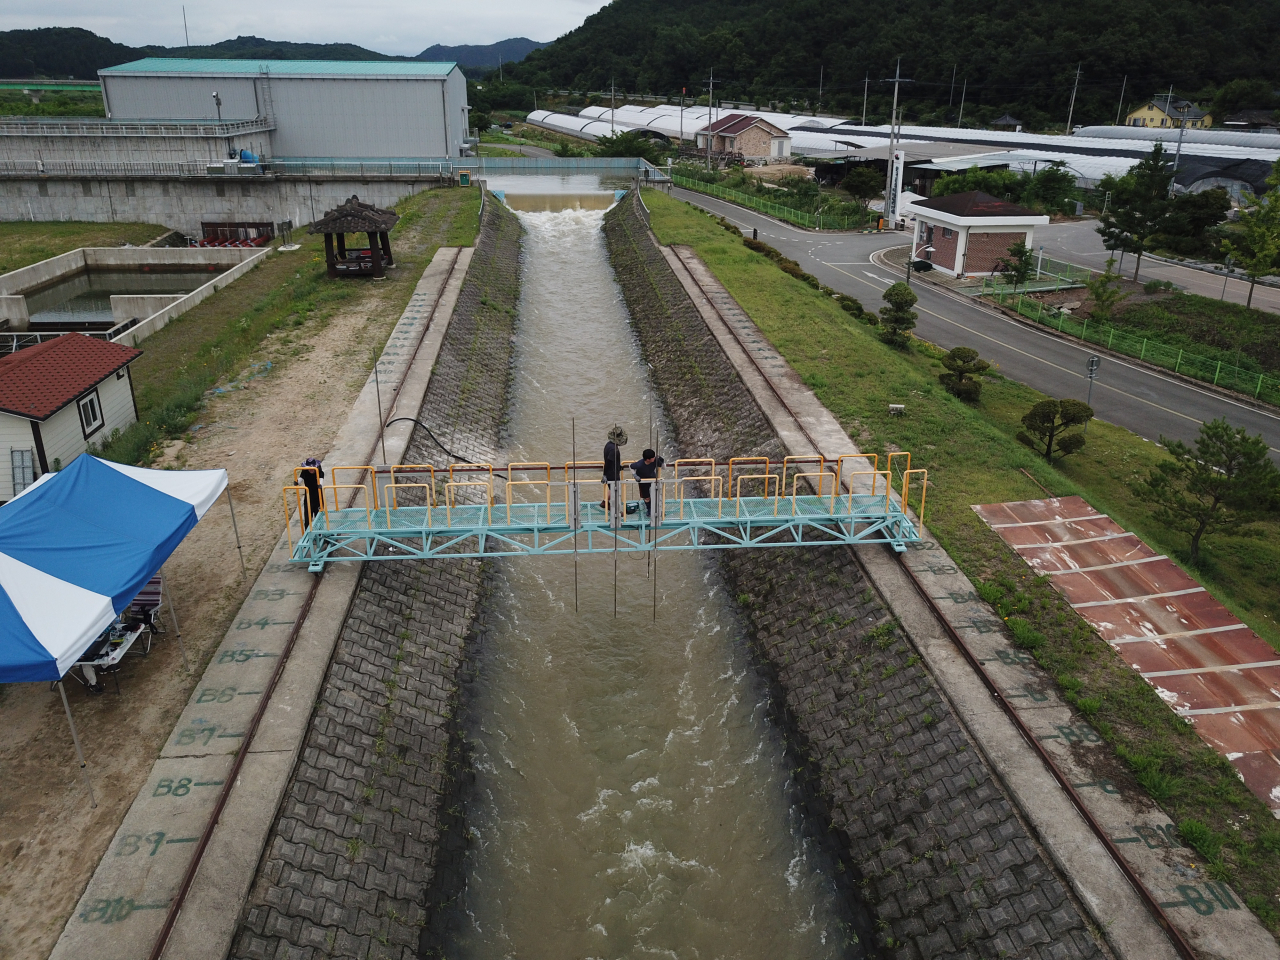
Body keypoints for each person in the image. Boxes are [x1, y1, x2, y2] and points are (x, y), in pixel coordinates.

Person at [630, 449, 665, 516]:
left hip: (652, 479)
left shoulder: (655, 461)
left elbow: (664, 468)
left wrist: (662, 462)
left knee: (656, 495)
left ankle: (658, 510)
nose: (654, 458)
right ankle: (649, 509)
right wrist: (635, 475)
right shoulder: (639, 464)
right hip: (643, 481)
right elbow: (630, 466)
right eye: (653, 457)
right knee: (646, 497)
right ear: (648, 459)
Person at [601, 426, 626, 512]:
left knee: (612, 489)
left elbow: (611, 461)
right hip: (612, 473)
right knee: (616, 492)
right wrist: (604, 474)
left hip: (611, 471)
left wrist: (618, 466)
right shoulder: (614, 450)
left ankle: (605, 502)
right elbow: (608, 462)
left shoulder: (608, 445)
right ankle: (616, 511)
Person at [299, 457, 324, 529]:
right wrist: (297, 482)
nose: (311, 469)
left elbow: (321, 479)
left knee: (318, 514)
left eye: (312, 468)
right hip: (308, 495)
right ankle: (308, 532)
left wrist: (320, 485)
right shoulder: (305, 472)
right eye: (309, 468)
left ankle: (320, 531)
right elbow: (300, 478)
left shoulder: (319, 471)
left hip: (318, 496)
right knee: (307, 515)